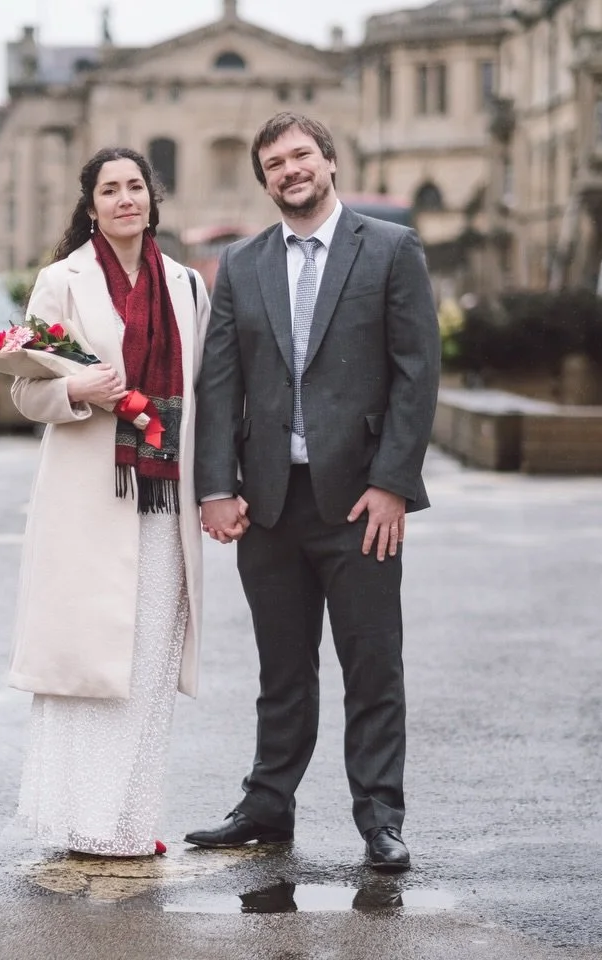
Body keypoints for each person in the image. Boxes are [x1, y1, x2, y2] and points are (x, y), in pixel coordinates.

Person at [188, 113, 440, 872]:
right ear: (264, 179)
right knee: (282, 667)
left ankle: (380, 818)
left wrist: (393, 482)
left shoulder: (391, 250)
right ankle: (268, 806)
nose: (290, 170)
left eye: (301, 156)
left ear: (329, 162)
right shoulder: (242, 262)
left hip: (360, 502)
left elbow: (416, 373)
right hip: (268, 502)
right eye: (274, 163)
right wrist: (216, 488)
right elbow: (219, 379)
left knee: (372, 663)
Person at [8, 146, 210, 857]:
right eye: (110, 189)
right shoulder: (59, 281)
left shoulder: (186, 284)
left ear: (153, 199)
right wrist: (75, 391)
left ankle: (128, 820)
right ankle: (83, 819)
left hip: (165, 499)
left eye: (136, 187)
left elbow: (205, 392)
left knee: (149, 665)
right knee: (92, 663)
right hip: (89, 500)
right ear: (90, 205)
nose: (126, 199)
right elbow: (24, 389)